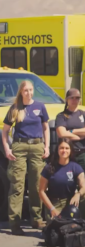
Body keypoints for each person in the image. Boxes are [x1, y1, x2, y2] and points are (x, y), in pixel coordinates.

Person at [2, 80, 50, 235]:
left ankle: (36, 219)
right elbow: (5, 131)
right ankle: (15, 223)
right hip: (19, 147)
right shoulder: (15, 108)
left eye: (31, 90)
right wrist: (7, 148)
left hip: (37, 147)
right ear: (21, 92)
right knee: (17, 185)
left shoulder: (40, 106)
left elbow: (46, 128)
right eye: (26, 90)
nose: (29, 93)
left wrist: (47, 146)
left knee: (37, 184)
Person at [54, 88, 85, 214]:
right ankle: (66, 208)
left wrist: (72, 132)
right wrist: (80, 133)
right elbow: (61, 133)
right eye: (72, 98)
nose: (74, 100)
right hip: (68, 155)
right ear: (67, 99)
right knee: (65, 180)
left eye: (77, 98)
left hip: (83, 152)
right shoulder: (62, 116)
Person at [38, 139, 85, 221]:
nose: (64, 150)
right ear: (57, 150)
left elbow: (84, 187)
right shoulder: (49, 168)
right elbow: (41, 191)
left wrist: (78, 194)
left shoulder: (75, 167)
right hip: (55, 203)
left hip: (71, 200)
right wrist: (52, 208)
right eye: (61, 148)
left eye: (67, 148)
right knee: (57, 225)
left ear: (71, 150)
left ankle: (84, 222)